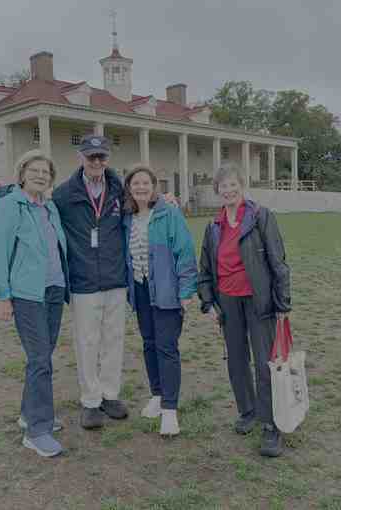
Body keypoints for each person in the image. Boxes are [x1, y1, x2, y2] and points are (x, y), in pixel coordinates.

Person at [197, 164, 291, 457]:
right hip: (228, 302)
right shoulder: (213, 227)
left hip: (258, 300)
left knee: (264, 363)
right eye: (222, 186)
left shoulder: (261, 217)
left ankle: (271, 425)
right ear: (217, 191)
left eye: (232, 185)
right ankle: (248, 412)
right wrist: (208, 302)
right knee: (236, 361)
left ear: (242, 185)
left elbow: (278, 261)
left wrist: (283, 303)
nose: (228, 190)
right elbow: (204, 271)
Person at [0, 150, 69, 457]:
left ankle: (29, 413)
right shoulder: (8, 207)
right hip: (27, 295)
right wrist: (3, 295)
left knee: (42, 357)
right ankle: (37, 431)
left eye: (46, 172)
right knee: (40, 360)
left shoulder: (50, 208)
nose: (41, 175)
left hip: (55, 290)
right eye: (35, 170)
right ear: (22, 174)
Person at [51, 135, 130, 429]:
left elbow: (146, 201)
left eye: (101, 157)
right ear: (80, 158)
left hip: (115, 278)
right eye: (90, 157)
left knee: (114, 340)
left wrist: (166, 201)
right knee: (87, 342)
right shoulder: (63, 194)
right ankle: (90, 400)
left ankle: (110, 395)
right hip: (83, 282)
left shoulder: (120, 190)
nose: (96, 162)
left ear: (107, 158)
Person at [122, 164, 198, 436]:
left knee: (167, 347)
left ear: (154, 186)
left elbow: (185, 253)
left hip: (166, 291)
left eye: (145, 183)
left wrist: (186, 290)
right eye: (135, 183)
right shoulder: (127, 217)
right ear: (129, 189)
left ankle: (170, 409)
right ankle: (156, 394)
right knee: (149, 344)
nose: (140, 187)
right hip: (140, 291)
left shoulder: (169, 213)